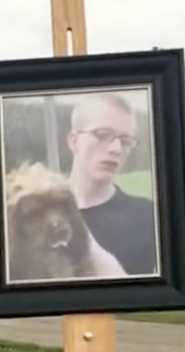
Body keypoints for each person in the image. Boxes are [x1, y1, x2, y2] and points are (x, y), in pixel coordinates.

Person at [65, 92, 161, 277]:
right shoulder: (36, 216)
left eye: (125, 141)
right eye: (102, 135)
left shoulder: (150, 217)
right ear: (74, 141)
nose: (116, 149)